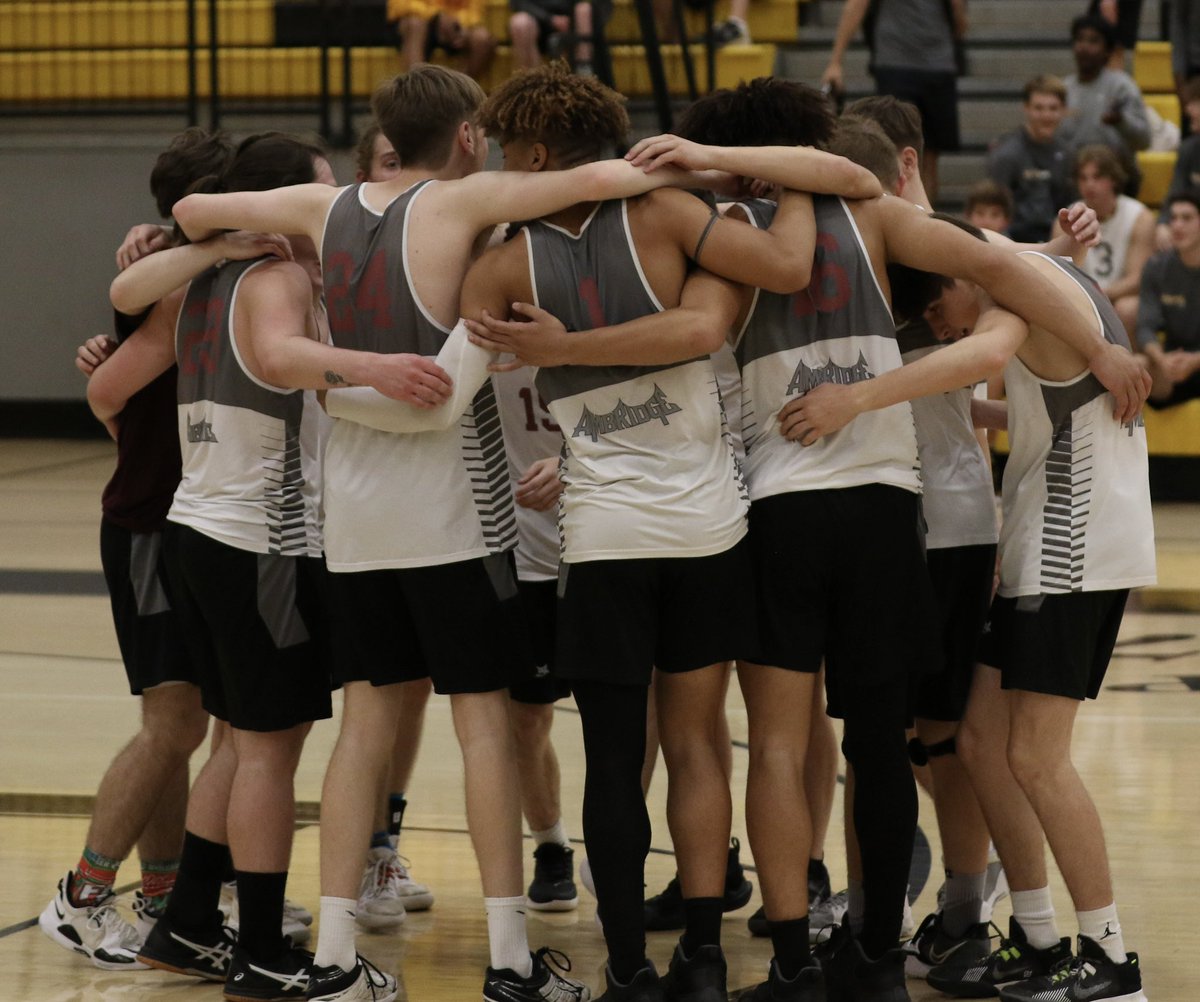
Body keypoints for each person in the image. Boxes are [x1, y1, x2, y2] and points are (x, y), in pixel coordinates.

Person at [475, 78, 1146, 1002]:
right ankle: (874, 955)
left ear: (728, 148)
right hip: (882, 509)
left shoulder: (721, 237)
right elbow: (999, 266)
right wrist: (1099, 340)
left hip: (774, 509)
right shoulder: (868, 216)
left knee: (781, 748)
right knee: (881, 742)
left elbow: (687, 347)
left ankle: (790, 958)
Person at [168, 64, 730, 1002]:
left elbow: (189, 210)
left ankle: (338, 954)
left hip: (352, 522)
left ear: (384, 128)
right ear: (470, 134)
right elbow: (596, 181)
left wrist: (263, 261)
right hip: (456, 518)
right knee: (482, 730)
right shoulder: (470, 202)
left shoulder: (320, 203)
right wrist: (704, 171)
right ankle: (511, 960)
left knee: (362, 732)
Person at [361, 66, 882, 1002]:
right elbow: (765, 285)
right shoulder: (674, 215)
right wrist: (794, 181)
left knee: (612, 760)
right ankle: (709, 961)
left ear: (527, 155)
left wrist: (340, 381)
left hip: (600, 536)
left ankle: (633, 969)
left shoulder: (501, 264)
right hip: (708, 531)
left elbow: (439, 405)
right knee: (695, 745)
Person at [781, 214, 1154, 1002]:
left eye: (931, 298)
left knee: (1037, 758)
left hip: (1072, 539)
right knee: (982, 741)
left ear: (960, 266)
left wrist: (855, 399)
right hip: (1043, 539)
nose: (927, 318)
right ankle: (1041, 939)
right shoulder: (1035, 270)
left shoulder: (1014, 298)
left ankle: (1112, 960)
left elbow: (981, 353)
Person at [94, 133, 344, 1001]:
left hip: (197, 531)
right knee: (270, 750)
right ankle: (265, 951)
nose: (332, 205)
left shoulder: (201, 283)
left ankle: (190, 921)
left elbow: (118, 340)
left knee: (239, 741)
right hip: (262, 543)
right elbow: (282, 364)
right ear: (274, 207)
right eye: (319, 193)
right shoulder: (275, 281)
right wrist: (374, 367)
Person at [37, 127, 232, 974]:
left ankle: (161, 891)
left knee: (181, 722)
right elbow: (107, 390)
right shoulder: (167, 290)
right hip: (153, 524)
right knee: (170, 722)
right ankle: (81, 896)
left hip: (179, 520)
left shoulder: (191, 276)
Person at [821, 0, 967, 200]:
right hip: (897, 62)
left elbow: (959, 18)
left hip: (937, 61)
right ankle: (899, 216)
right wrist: (835, 62)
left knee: (930, 155)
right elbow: (855, 6)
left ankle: (924, 219)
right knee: (894, 148)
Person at [1057, 143, 1155, 336]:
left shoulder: (1139, 217)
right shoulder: (1065, 217)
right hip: (1081, 297)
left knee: (1128, 308)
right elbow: (1058, 273)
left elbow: (1137, 279)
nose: (1089, 185)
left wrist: (1100, 295)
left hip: (1119, 297)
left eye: (1097, 177)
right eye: (1083, 178)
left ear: (1113, 180)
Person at [1058, 13, 1151, 196]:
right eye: (1080, 40)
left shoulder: (1122, 87)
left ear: (1107, 50)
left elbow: (1144, 140)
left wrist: (1121, 122)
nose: (1084, 47)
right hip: (1073, 183)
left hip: (1118, 181)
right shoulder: (1063, 90)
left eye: (1093, 41)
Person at [987, 75, 1074, 244]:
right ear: (1026, 108)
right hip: (1014, 244)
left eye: (1053, 108)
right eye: (1039, 108)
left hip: (1059, 240)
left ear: (1063, 110)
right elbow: (994, 210)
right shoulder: (1006, 154)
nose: (1046, 115)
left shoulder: (1068, 154)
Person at [1137, 189, 1200, 406]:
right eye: (1173, 218)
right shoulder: (1156, 267)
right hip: (1171, 365)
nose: (1177, 225)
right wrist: (1161, 359)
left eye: (1187, 218)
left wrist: (1195, 360)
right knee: (1133, 365)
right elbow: (1145, 327)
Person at [388, 0, 496, 81]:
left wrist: (463, 25)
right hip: (420, 20)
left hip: (456, 23)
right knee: (414, 24)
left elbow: (474, 10)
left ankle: (457, 90)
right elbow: (402, 5)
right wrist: (437, 16)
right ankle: (417, 90)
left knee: (482, 39)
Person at [1155, 76, 1200, 250]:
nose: (1187, 109)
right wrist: (1163, 223)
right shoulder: (1188, 149)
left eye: (1195, 102)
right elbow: (1175, 194)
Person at [509, 0, 611, 75]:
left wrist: (576, 16)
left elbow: (604, 5)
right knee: (519, 23)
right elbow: (517, 3)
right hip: (539, 21)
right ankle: (531, 86)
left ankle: (584, 75)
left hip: (576, 21)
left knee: (584, 10)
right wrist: (549, 19)